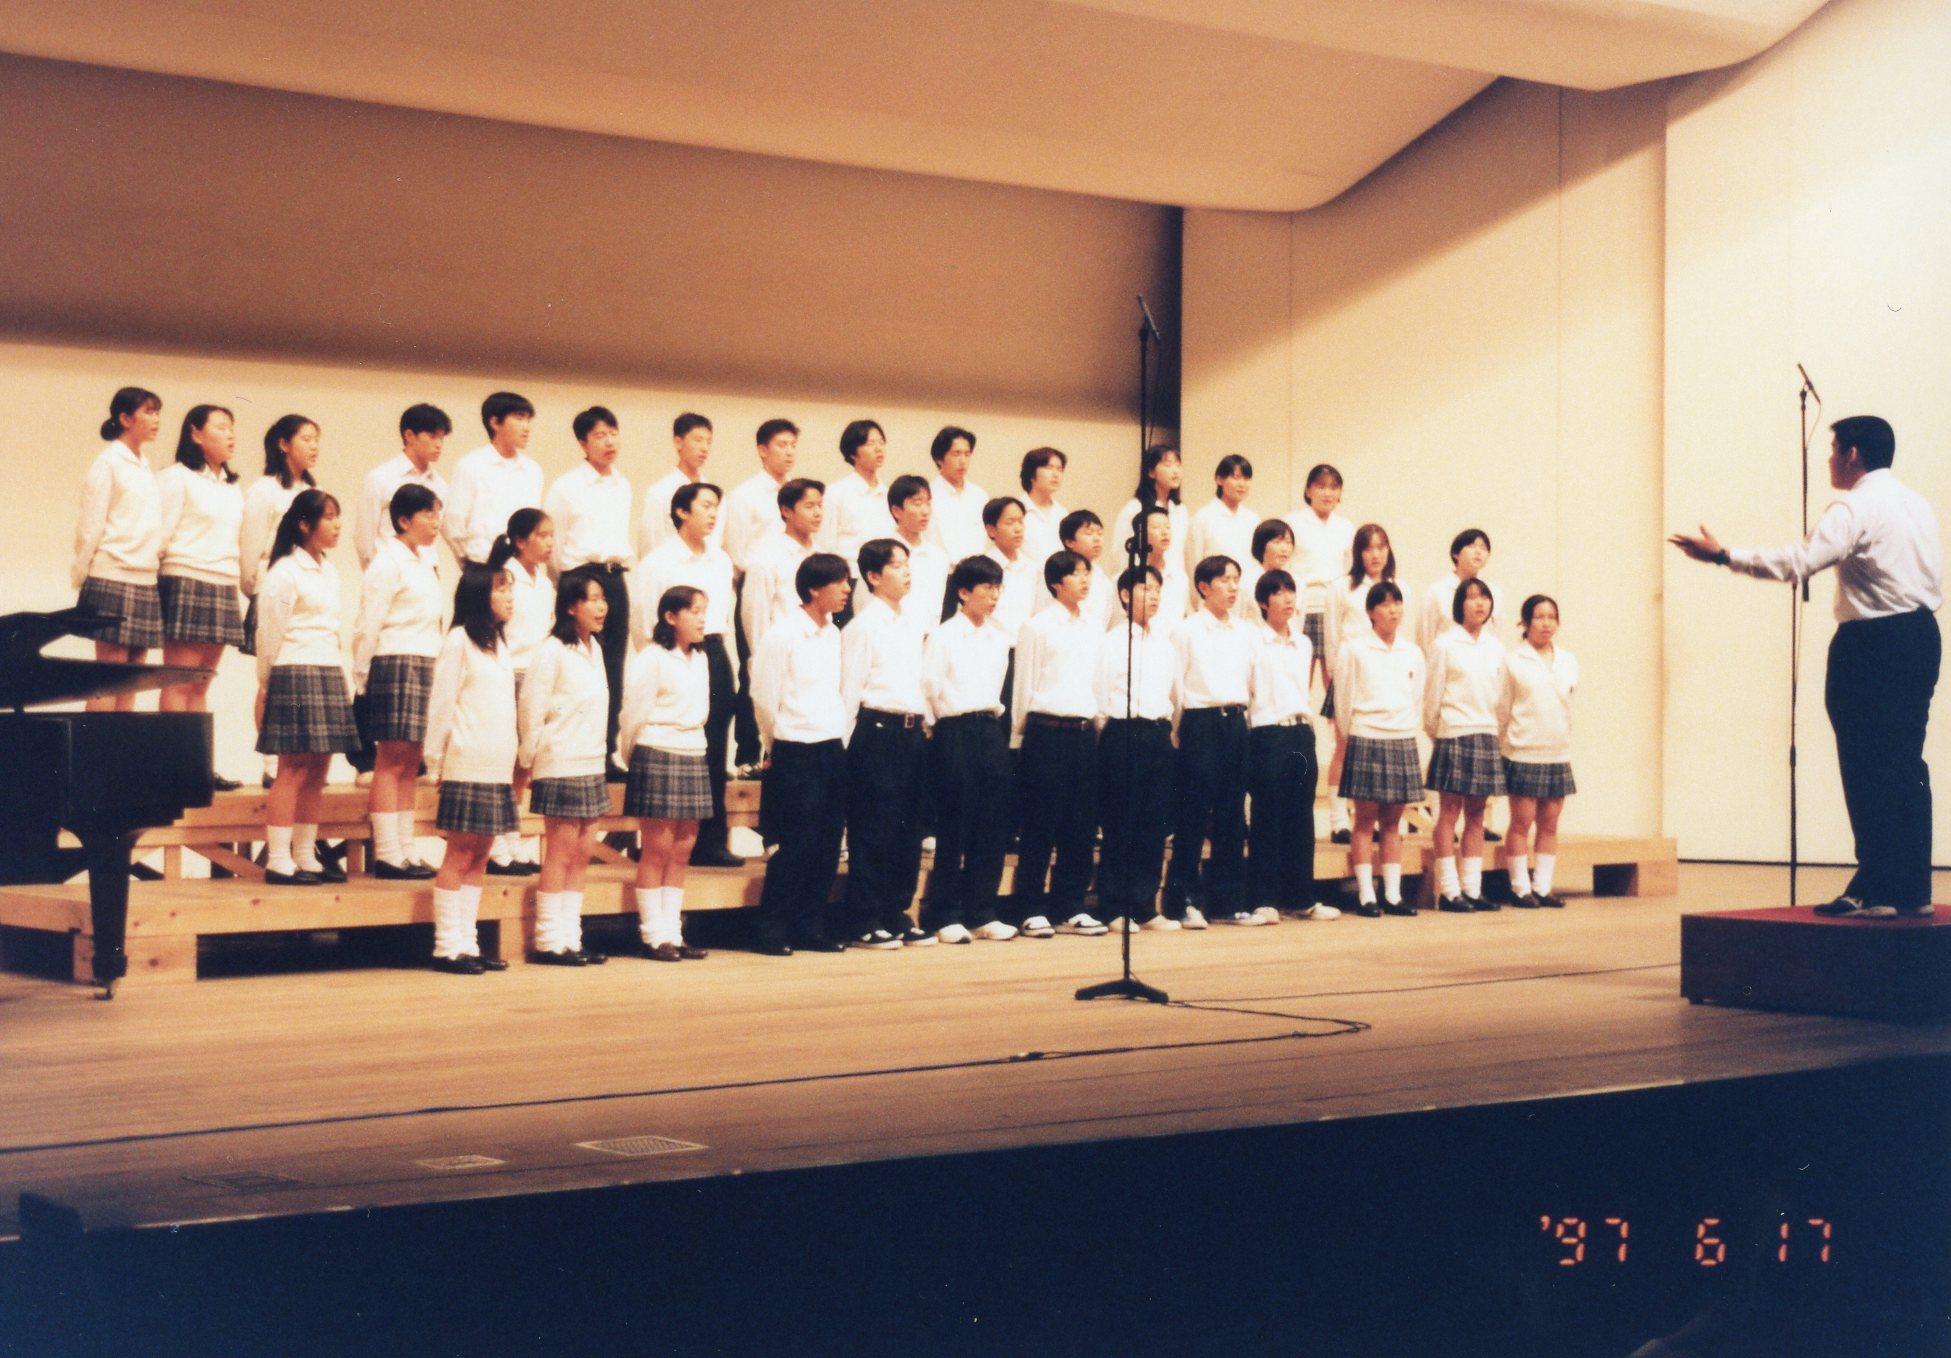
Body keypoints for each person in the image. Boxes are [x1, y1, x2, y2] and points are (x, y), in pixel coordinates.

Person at [421, 542, 521, 975]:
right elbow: (441, 705)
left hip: (496, 765)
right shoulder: (459, 641)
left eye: (510, 588)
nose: (509, 596)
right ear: (480, 594)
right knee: (460, 853)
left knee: (481, 854)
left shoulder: (499, 644)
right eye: (501, 588)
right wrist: (435, 760)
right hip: (467, 760)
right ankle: (447, 946)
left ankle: (468, 942)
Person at [254, 490, 360, 887]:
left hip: (327, 666)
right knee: (293, 768)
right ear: (304, 524)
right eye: (328, 517)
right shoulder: (285, 571)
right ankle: (279, 859)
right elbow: (270, 631)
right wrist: (268, 678)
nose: (336, 525)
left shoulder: (329, 570)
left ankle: (304, 853)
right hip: (294, 667)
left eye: (338, 516)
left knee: (319, 769)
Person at [749, 555, 853, 955]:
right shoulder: (783, 634)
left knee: (827, 843)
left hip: (830, 745)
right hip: (795, 747)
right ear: (813, 588)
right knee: (796, 844)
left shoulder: (833, 633)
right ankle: (773, 928)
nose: (847, 590)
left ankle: (810, 925)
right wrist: (775, 742)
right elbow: (764, 697)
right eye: (839, 582)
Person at [636, 481, 743, 867]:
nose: (714, 514)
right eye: (706, 506)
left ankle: (710, 841)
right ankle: (662, 841)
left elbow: (723, 615)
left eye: (717, 507)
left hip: (713, 650)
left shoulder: (721, 560)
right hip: (673, 652)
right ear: (682, 512)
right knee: (676, 743)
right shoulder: (658, 562)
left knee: (715, 747)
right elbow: (644, 621)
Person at [1007, 550, 1109, 938]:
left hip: (1083, 732)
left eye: (1087, 573)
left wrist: (1098, 725)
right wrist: (1020, 738)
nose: (1085, 580)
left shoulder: (1093, 627)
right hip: (1046, 731)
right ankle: (1031, 907)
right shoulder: (1037, 626)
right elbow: (1025, 685)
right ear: (1055, 582)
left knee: (1080, 824)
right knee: (1040, 823)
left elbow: (1097, 683)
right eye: (1076, 573)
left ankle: (1071, 906)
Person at [839, 538, 933, 949]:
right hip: (876, 732)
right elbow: (849, 690)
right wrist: (844, 749)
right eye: (897, 565)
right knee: (873, 828)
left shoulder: (912, 622)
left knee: (908, 829)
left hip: (911, 732)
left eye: (907, 563)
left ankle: (897, 912)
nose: (906, 571)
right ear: (873, 576)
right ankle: (865, 918)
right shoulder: (862, 626)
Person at [518, 567, 615, 964]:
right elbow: (533, 706)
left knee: (582, 852)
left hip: (591, 760)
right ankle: (548, 940)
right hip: (560, 760)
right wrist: (531, 755)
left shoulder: (596, 649)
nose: (602, 606)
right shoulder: (552, 651)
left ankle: (570, 937)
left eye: (603, 599)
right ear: (572, 606)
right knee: (561, 852)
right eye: (593, 599)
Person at [351, 483, 446, 880]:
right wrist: (362, 674)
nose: (436, 522)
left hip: (425, 660)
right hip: (395, 660)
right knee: (391, 760)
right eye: (428, 514)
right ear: (404, 520)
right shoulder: (387, 562)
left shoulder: (423, 560)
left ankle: (406, 848)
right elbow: (368, 622)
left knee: (411, 762)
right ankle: (387, 853)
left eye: (438, 514)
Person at [618, 585, 717, 962]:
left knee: (682, 848)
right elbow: (633, 714)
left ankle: (673, 933)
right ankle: (652, 935)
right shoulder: (652, 657)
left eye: (704, 611)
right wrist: (635, 755)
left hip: (693, 750)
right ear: (670, 617)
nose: (702, 619)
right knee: (657, 849)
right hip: (658, 748)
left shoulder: (701, 657)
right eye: (694, 611)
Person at [921, 554, 1016, 943]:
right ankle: (945, 913)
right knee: (955, 823)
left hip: (989, 728)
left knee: (991, 823)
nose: (994, 596)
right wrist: (938, 731)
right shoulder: (944, 636)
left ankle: (982, 911)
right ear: (963, 592)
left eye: (997, 588)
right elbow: (929, 688)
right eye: (986, 588)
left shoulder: (999, 638)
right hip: (954, 728)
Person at [544, 406, 636, 778]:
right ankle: (577, 748)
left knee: (613, 666)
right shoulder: (566, 487)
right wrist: (570, 587)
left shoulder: (622, 484)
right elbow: (555, 547)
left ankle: (607, 751)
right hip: (580, 578)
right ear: (583, 443)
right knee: (579, 667)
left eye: (613, 433)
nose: (609, 441)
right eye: (599, 435)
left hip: (615, 578)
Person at [155, 404, 245, 756]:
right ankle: (172, 763)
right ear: (195, 433)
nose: (230, 434)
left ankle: (195, 764)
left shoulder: (232, 487)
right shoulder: (176, 477)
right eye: (221, 427)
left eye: (231, 427)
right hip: (186, 578)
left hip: (223, 582)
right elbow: (159, 536)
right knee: (179, 680)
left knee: (201, 685)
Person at [1248, 569, 1336, 920]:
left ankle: (1301, 898)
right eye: (1279, 593)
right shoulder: (1253, 642)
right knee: (1267, 817)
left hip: (1300, 732)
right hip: (1267, 733)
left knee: (1301, 818)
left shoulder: (1303, 643)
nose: (1287, 599)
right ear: (1262, 602)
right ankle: (1264, 899)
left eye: (1291, 592)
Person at [1334, 581, 1425, 917]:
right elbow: (1344, 700)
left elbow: (1417, 697)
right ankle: (1366, 894)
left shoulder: (1412, 652)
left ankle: (1393, 894)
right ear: (1371, 612)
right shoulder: (1354, 649)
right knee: (1364, 821)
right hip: (1367, 735)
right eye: (1385, 604)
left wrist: (1405, 728)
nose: (1393, 610)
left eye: (1397, 603)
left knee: (1393, 822)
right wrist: (1356, 733)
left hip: (1401, 736)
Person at [1096, 564, 1177, 933]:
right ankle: (1114, 907)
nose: (1154, 596)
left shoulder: (1165, 642)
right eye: (1146, 589)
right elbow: (1100, 696)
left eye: (1158, 589)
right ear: (1126, 595)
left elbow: (1171, 694)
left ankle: (1145, 906)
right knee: (1121, 822)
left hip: (1158, 733)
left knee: (1153, 824)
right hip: (1123, 732)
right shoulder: (1111, 641)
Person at [73, 386, 165, 711]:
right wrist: (82, 573)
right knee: (107, 679)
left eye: (158, 412)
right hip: (112, 573)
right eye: (149, 412)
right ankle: (96, 745)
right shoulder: (108, 462)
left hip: (144, 578)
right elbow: (90, 524)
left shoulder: (144, 465)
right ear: (125, 418)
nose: (156, 419)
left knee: (132, 678)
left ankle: (121, 744)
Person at [1424, 578, 1507, 912]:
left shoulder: (1496, 647)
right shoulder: (1445, 644)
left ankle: (1472, 889)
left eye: (1484, 597)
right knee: (1448, 813)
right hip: (1454, 732)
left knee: (1477, 814)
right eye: (1472, 598)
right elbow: (1432, 698)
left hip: (1486, 731)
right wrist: (1440, 732)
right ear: (1460, 604)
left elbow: (1501, 698)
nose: (1479, 603)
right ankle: (1449, 890)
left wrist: (1495, 732)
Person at [724, 419, 800, 769]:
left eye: (793, 445)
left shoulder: (798, 492)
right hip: (756, 586)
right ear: (762, 450)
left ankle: (779, 750)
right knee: (753, 669)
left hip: (790, 588)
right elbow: (736, 550)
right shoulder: (746, 495)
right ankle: (747, 752)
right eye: (782, 445)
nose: (789, 452)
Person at [1496, 595, 1580, 910]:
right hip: (1523, 751)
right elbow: (1502, 708)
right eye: (1539, 617)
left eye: (1551, 617)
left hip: (1556, 752)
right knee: (1521, 823)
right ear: (1526, 621)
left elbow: (1569, 705)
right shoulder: (1513, 660)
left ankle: (1542, 887)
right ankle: (1520, 888)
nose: (1546, 623)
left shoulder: (1568, 660)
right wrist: (1504, 745)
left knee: (1550, 825)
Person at [1322, 523, 1404, 844]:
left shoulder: (1398, 587)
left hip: (1385, 678)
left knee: (1380, 752)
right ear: (1358, 553)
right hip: (1350, 675)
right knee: (1343, 747)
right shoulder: (1341, 587)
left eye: (1381, 547)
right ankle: (1338, 819)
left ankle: (1376, 821)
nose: (1375, 554)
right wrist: (1335, 677)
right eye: (1368, 548)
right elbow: (1331, 638)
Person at [488, 508, 555, 875]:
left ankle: (512, 839)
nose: (549, 543)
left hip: (536, 674)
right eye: (542, 535)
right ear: (520, 540)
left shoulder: (544, 580)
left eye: (551, 535)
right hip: (510, 671)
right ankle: (496, 842)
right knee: (504, 759)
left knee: (523, 764)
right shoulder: (506, 576)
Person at [442, 392, 542, 579]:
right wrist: (470, 566)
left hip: (522, 568)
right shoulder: (471, 465)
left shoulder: (532, 470)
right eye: (519, 418)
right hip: (483, 566)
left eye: (528, 420)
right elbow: (453, 524)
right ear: (495, 423)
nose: (526, 427)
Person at [741, 478, 825, 671]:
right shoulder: (766, 558)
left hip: (818, 655)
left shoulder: (822, 555)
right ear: (786, 511)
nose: (817, 512)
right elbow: (755, 617)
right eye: (809, 506)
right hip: (782, 657)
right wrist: (762, 663)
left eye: (820, 506)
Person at [354, 404, 450, 570]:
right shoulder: (381, 478)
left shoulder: (439, 484)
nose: (439, 444)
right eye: (432, 436)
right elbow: (364, 536)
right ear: (409, 435)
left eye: (442, 438)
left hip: (427, 570)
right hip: (391, 569)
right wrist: (375, 572)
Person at [1287, 463, 1355, 693]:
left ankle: (1336, 720)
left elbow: (1349, 570)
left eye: (1334, 487)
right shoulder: (1292, 522)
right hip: (1302, 606)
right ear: (1308, 490)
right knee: (1299, 679)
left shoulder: (1346, 527)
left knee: (1334, 682)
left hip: (1333, 608)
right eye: (1321, 486)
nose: (1328, 493)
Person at [820, 419, 894, 596]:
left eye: (881, 442)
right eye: (870, 443)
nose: (878, 448)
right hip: (849, 579)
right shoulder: (836, 492)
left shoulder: (889, 494)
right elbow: (824, 543)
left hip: (884, 580)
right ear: (853, 453)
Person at [638, 412, 720, 558]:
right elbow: (649, 548)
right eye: (698, 440)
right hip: (671, 568)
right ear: (678, 442)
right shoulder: (660, 492)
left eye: (709, 442)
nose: (705, 448)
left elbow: (717, 539)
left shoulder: (712, 493)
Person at [1109, 443, 1188, 588]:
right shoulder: (1134, 509)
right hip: (1143, 583)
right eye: (1168, 465)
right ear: (1151, 472)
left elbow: (1181, 554)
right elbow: (1121, 554)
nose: (1175, 471)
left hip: (1174, 582)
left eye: (1178, 465)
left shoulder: (1180, 510)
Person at [1417, 528, 1505, 656]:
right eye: (1471, 546)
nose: (1478, 552)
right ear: (1455, 554)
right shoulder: (1437, 592)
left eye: (1483, 548)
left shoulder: (1494, 593)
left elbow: (1496, 634)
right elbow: (1425, 640)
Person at [888, 474, 949, 638]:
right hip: (894, 638)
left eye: (928, 503)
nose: (925, 511)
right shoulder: (882, 553)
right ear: (896, 511)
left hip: (929, 640)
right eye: (917, 503)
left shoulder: (938, 557)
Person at [1186, 453, 1258, 576]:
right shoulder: (1203, 518)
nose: (1242, 484)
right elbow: (1194, 565)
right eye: (1236, 477)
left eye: (1246, 478)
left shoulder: (1252, 518)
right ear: (1219, 479)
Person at [1045, 509, 1115, 632]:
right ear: (1069, 541)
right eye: (1089, 533)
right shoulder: (1056, 571)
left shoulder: (1104, 580)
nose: (1097, 539)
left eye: (1100, 533)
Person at [925, 425, 987, 561]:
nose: (963, 461)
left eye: (967, 454)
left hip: (976, 570)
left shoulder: (979, 496)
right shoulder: (928, 495)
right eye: (956, 454)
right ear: (939, 459)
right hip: (941, 569)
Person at [1237, 517, 1296, 627]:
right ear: (1261, 544)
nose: (1284, 549)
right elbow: (1237, 620)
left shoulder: (1297, 580)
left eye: (1289, 542)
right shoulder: (1246, 582)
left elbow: (1296, 623)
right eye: (1277, 542)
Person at [1018, 446, 1069, 568]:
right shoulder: (1017, 511)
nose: (1056, 474)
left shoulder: (1062, 513)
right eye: (1048, 468)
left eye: (1060, 469)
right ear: (1031, 474)